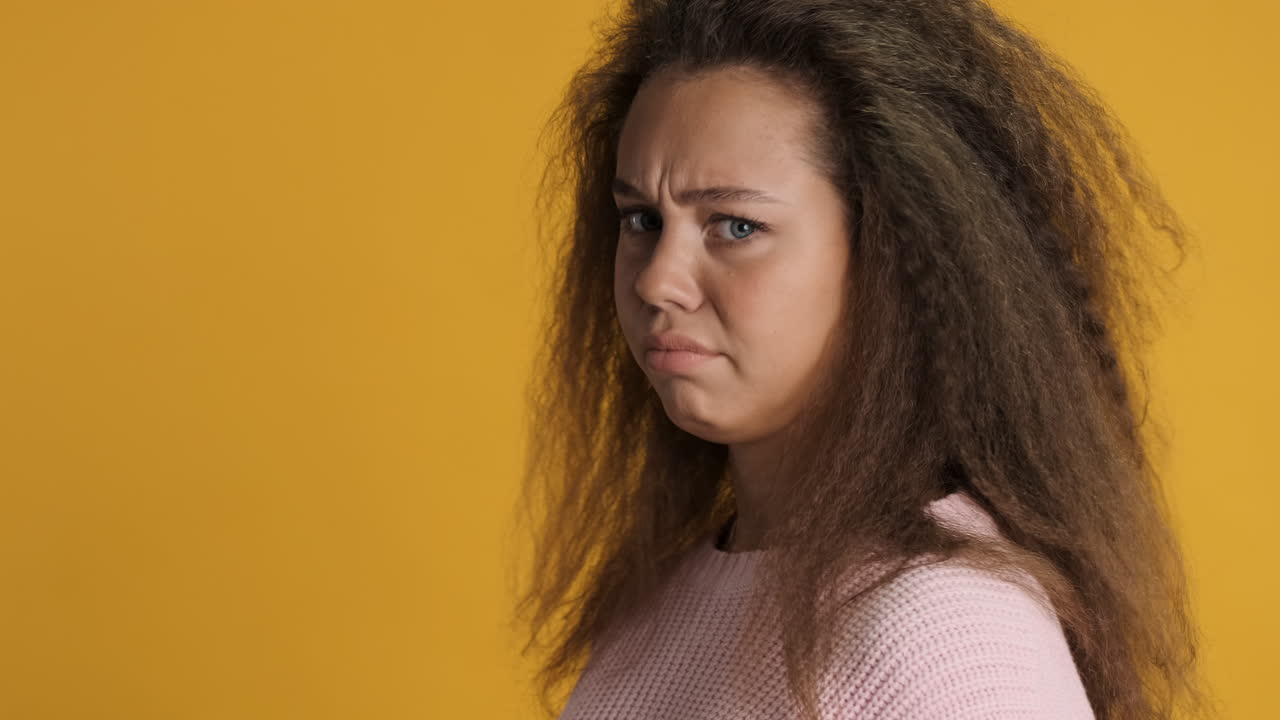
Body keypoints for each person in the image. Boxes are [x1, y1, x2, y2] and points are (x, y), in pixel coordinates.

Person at [505, 1, 1219, 719]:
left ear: (893, 254)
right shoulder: (661, 600)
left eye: (736, 226)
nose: (657, 280)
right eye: (642, 220)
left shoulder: (945, 635)